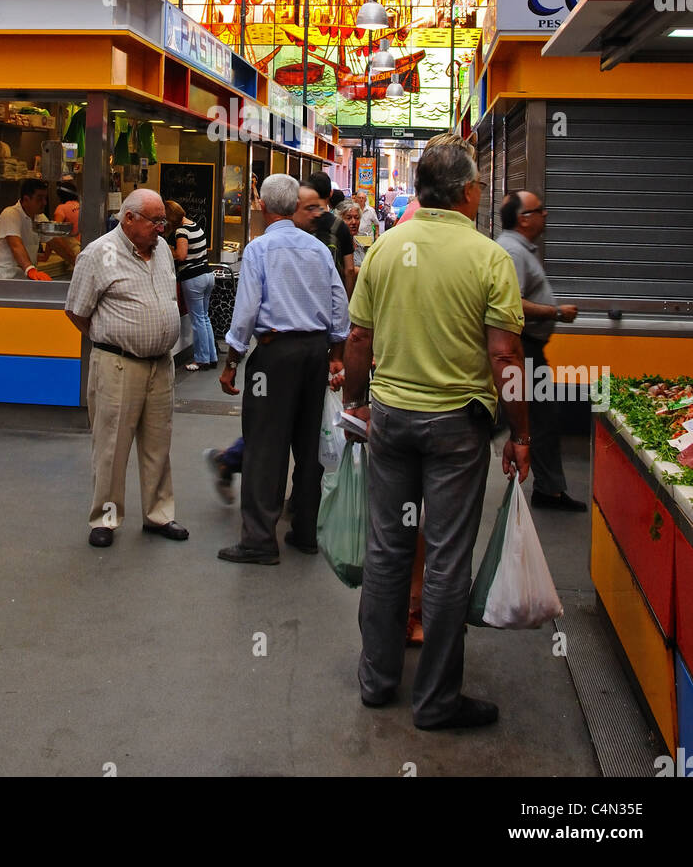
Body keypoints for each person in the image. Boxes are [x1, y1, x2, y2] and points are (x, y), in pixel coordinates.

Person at [342, 143, 528, 727]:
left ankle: (377, 680)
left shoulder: (385, 249)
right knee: (446, 560)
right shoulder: (488, 257)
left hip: (391, 420)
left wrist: (354, 402)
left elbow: (358, 340)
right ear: (468, 192)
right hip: (456, 429)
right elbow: (505, 354)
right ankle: (436, 701)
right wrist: (522, 433)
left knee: (389, 549)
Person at [216, 174, 349, 564]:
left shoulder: (259, 249)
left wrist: (233, 361)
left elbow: (246, 310)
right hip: (315, 353)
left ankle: (259, 539)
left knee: (264, 444)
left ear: (261, 205)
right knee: (310, 445)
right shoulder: (318, 249)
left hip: (274, 355)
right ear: (292, 207)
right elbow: (339, 303)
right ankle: (305, 530)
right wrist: (336, 352)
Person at [65, 189, 189, 548]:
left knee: (158, 445)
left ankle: (159, 514)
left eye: (163, 220)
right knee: (111, 447)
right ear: (129, 218)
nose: (161, 228)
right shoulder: (99, 254)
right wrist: (112, 340)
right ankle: (105, 518)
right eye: (155, 221)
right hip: (118, 363)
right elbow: (76, 310)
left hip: (160, 365)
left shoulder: (163, 250)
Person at [497, 191, 584, 512]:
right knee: (542, 419)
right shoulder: (513, 252)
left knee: (542, 418)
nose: (545, 215)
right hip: (524, 348)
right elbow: (512, 304)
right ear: (524, 218)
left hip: (529, 348)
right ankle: (548, 490)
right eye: (539, 210)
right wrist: (556, 312)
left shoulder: (518, 249)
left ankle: (549, 487)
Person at [164, 199, 217, 373]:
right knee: (204, 317)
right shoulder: (195, 225)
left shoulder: (181, 231)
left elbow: (181, 255)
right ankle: (212, 356)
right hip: (208, 274)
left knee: (198, 320)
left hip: (193, 277)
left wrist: (168, 249)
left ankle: (202, 359)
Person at [0, 177, 72, 279]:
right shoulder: (10, 214)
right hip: (5, 278)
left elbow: (56, 243)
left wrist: (77, 262)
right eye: (39, 199)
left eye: (45, 198)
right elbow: (16, 245)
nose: (44, 203)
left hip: (23, 277)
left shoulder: (39, 217)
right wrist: (30, 270)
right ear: (26, 199)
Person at [307, 171, 356, 297]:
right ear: (331, 193)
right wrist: (346, 300)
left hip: (307, 290)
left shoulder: (303, 222)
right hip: (333, 292)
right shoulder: (340, 225)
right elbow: (349, 270)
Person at [336, 199, 366, 268]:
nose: (354, 222)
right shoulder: (337, 245)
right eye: (349, 218)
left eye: (357, 218)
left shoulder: (357, 243)